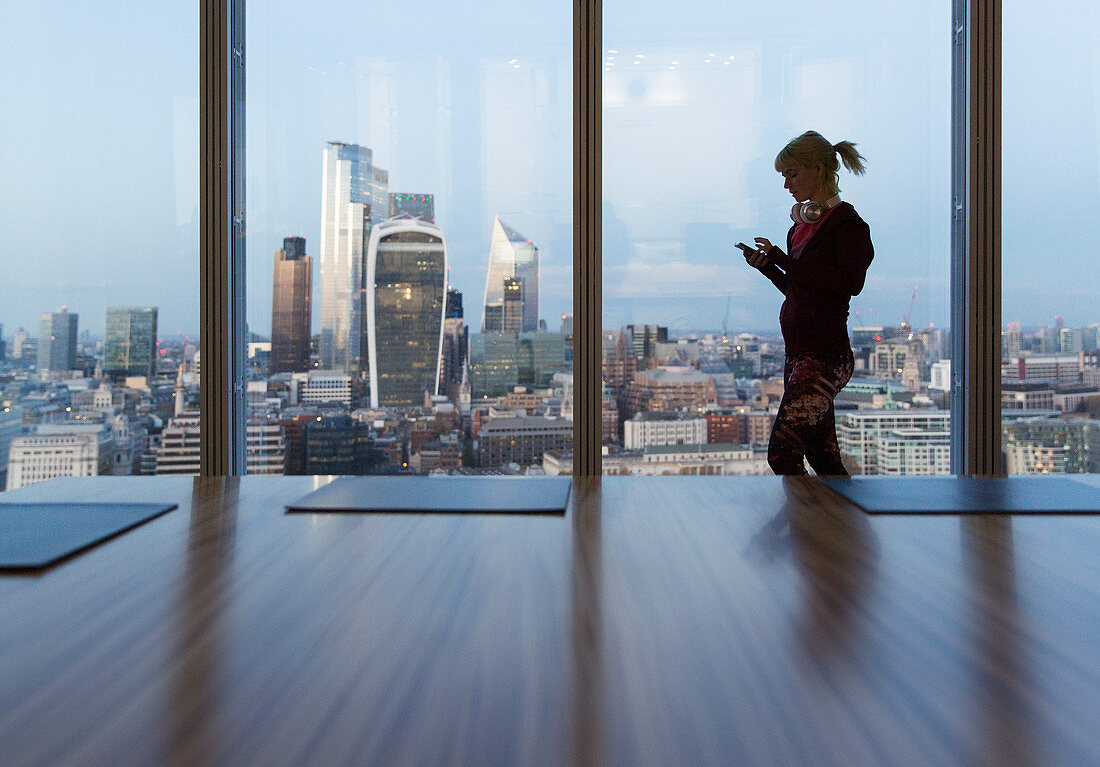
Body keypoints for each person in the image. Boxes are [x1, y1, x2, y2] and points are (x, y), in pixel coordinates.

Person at [741, 130, 873, 476]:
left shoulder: (848, 226)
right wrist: (771, 267)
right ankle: (836, 526)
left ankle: (809, 527)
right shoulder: (800, 229)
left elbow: (848, 284)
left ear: (817, 170)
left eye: (792, 174)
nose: (787, 185)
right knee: (823, 457)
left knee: (783, 453)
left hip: (825, 356)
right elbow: (802, 288)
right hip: (799, 354)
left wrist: (784, 260)